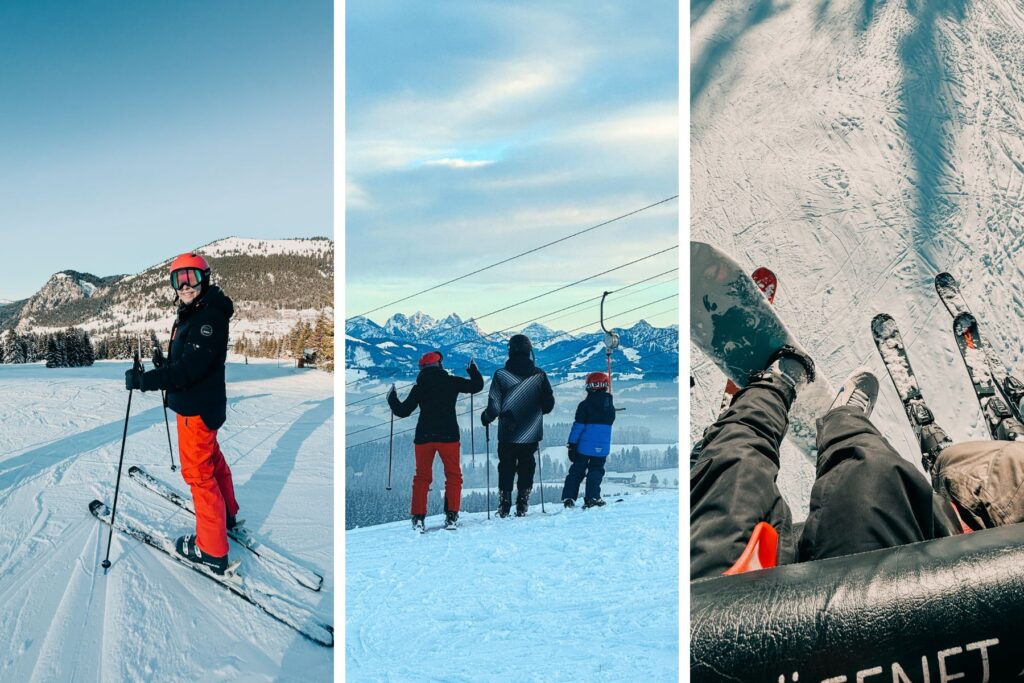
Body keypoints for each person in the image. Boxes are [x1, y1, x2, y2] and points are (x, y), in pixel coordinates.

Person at [690, 346, 1024, 580]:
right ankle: (842, 419)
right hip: (919, 573)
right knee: (874, 476)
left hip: (754, 609)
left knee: (731, 479)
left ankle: (769, 389)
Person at [124, 252, 240, 575]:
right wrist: (166, 366)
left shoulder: (207, 319)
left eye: (192, 278)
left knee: (198, 473)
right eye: (179, 280)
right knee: (211, 459)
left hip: (196, 409)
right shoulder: (199, 311)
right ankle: (226, 514)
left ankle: (212, 550)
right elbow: (187, 363)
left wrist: (146, 380)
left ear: (205, 278)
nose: (186, 286)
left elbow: (190, 370)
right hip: (202, 405)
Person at [388, 351, 483, 531]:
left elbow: (402, 411)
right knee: (453, 475)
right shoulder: (452, 382)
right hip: (449, 436)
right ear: (439, 364)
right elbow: (476, 386)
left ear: (422, 368)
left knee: (422, 477)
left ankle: (418, 518)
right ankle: (452, 516)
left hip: (424, 437)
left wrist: (391, 397)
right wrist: (472, 370)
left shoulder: (419, 388)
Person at [480, 334, 555, 517]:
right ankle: (523, 502)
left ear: (510, 351)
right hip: (531, 431)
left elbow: (494, 407)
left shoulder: (501, 375)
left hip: (508, 431)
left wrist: (486, 417)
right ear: (529, 351)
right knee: (527, 465)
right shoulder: (539, 375)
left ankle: (504, 503)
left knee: (506, 466)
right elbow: (548, 405)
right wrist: (533, 411)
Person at [561, 371, 616, 508]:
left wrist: (572, 444)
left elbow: (578, 427)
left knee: (576, 471)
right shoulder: (610, 407)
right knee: (596, 471)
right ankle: (593, 497)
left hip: (584, 446)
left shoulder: (584, 405)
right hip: (602, 447)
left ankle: (569, 497)